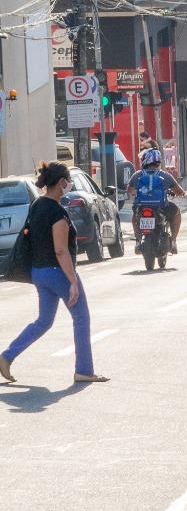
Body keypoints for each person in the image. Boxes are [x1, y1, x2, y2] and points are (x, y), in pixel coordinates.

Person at [0, 162, 109, 384]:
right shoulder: (57, 213)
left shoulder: (37, 204)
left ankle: (6, 356)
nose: (69, 185)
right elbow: (60, 250)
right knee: (81, 317)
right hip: (57, 271)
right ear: (61, 183)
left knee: (44, 321)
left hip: (38, 272)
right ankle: (84, 370)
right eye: (68, 182)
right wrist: (73, 281)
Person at [127, 149, 185, 253]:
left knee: (134, 218)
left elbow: (130, 190)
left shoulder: (137, 175)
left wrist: (139, 193)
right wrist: (179, 193)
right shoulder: (165, 176)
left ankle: (138, 241)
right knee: (176, 212)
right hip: (161, 208)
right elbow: (179, 191)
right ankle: (173, 241)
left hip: (141, 207)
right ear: (158, 162)